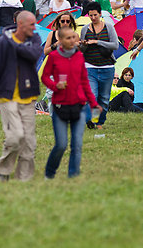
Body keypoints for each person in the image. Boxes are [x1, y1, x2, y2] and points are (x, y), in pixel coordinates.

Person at [0, 11, 43, 182]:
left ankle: (24, 179)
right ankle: (3, 171)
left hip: (28, 96)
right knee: (15, 137)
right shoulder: (2, 43)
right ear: (20, 24)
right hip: (7, 97)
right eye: (31, 24)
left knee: (29, 141)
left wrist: (14, 44)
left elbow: (34, 55)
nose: (34, 28)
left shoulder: (34, 39)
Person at [41, 27, 99, 179]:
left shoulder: (79, 56)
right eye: (68, 38)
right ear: (60, 40)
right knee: (61, 145)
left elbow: (84, 81)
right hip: (60, 106)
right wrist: (55, 86)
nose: (73, 40)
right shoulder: (53, 56)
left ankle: (73, 176)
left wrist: (93, 103)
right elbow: (44, 77)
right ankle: (49, 173)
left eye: (74, 37)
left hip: (79, 106)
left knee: (77, 145)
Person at [79, 3, 119, 128]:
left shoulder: (108, 27)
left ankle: (98, 121)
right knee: (92, 95)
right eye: (90, 15)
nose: (93, 18)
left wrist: (98, 42)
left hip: (107, 67)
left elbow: (115, 45)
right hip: (89, 66)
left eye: (95, 15)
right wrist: (83, 44)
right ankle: (91, 118)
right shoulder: (85, 29)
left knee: (104, 98)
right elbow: (81, 50)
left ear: (100, 14)